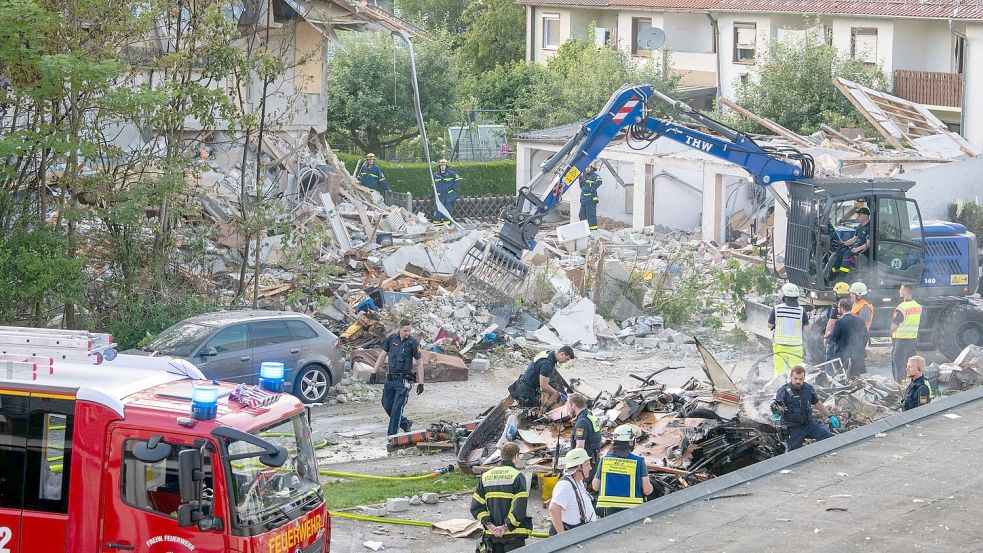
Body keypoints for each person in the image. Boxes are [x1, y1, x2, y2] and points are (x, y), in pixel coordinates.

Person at [470, 442, 531, 552]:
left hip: (491, 536)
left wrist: (490, 526)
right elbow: (519, 508)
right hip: (513, 536)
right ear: (516, 456)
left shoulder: (486, 476)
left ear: (502, 456)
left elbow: (476, 506)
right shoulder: (517, 476)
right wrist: (505, 527)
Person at [373, 319, 425, 436]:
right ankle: (405, 423)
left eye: (409, 330)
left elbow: (420, 363)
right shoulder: (391, 339)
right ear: (399, 329)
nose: (408, 333)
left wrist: (421, 382)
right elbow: (382, 355)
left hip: (404, 381)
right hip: (390, 380)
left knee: (397, 409)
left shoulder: (413, 343)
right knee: (386, 405)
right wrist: (374, 372)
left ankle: (392, 438)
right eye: (405, 330)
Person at [772, 364, 840, 451]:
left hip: (808, 424)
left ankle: (816, 455)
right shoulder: (783, 391)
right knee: (794, 453)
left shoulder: (808, 388)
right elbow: (777, 407)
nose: (798, 381)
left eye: (801, 379)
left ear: (804, 378)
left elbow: (817, 402)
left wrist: (830, 416)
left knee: (825, 433)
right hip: (793, 428)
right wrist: (776, 413)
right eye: (795, 378)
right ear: (791, 377)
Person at [592, 424, 654, 517]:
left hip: (606, 512)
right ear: (630, 442)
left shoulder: (604, 460)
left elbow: (595, 487)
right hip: (632, 512)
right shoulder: (639, 462)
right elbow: (647, 491)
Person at [548, 448, 597, 535]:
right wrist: (562, 536)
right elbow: (553, 508)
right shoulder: (565, 485)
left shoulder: (578, 481)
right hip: (570, 534)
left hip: (578, 533)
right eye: (587, 465)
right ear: (578, 467)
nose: (590, 468)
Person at [508, 347, 575, 408]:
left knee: (541, 405)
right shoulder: (547, 363)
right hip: (525, 390)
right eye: (566, 359)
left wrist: (545, 398)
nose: (566, 362)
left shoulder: (549, 354)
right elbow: (544, 386)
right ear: (562, 354)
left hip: (524, 384)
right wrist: (557, 394)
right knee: (534, 413)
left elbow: (545, 380)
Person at [769, 283, 810, 377]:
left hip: (780, 345)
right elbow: (807, 329)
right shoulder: (801, 310)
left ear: (784, 296)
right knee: (797, 372)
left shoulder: (777, 309)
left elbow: (769, 325)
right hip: (796, 347)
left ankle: (780, 389)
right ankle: (796, 390)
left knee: (780, 371)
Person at [828, 298, 868, 377]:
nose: (838, 309)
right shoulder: (860, 320)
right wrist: (861, 347)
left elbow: (834, 338)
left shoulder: (839, 322)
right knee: (856, 378)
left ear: (842, 308)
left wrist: (830, 334)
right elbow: (866, 336)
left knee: (844, 379)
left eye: (839, 307)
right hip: (858, 354)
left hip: (844, 356)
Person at [891, 283, 922, 383]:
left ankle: (899, 385)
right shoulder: (918, 306)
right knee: (911, 364)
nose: (899, 291)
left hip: (901, 340)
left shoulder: (902, 307)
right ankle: (910, 383)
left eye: (901, 289)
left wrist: (891, 332)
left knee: (898, 363)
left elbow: (895, 325)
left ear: (906, 291)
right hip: (912, 339)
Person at [567, 393, 601, 481]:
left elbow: (580, 447)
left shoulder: (581, 422)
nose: (568, 408)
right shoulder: (590, 415)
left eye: (568, 406)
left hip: (585, 463)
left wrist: (573, 465)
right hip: (594, 459)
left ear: (573, 405)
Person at [831, 206, 871, 275]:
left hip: (865, 251)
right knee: (841, 252)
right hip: (857, 248)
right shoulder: (860, 227)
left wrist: (857, 249)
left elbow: (868, 244)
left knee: (847, 254)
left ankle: (843, 275)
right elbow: (855, 238)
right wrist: (843, 244)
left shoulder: (870, 227)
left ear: (866, 215)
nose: (857, 216)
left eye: (859, 215)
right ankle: (832, 272)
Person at [824, 282, 851, 361]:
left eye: (835, 293)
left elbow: (831, 323)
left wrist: (826, 337)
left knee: (830, 357)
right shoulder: (851, 304)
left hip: (836, 335)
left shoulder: (836, 305)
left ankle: (830, 373)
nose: (834, 295)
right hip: (848, 337)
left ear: (839, 294)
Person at [432, 159, 461, 225]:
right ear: (439, 166)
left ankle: (447, 225)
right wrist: (432, 194)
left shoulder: (451, 173)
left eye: (444, 165)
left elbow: (459, 179)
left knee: (447, 210)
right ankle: (436, 224)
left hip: (448, 196)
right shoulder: (435, 175)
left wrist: (453, 187)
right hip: (439, 196)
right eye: (441, 165)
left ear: (446, 166)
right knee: (437, 211)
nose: (442, 167)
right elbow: (433, 185)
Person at [578, 163, 602, 232]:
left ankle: (594, 235)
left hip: (591, 200)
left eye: (589, 167)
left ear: (592, 168)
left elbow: (599, 181)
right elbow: (582, 187)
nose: (587, 169)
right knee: (581, 215)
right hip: (584, 200)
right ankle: (585, 232)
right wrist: (580, 180)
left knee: (591, 217)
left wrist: (592, 189)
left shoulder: (594, 176)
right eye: (586, 167)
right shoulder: (584, 176)